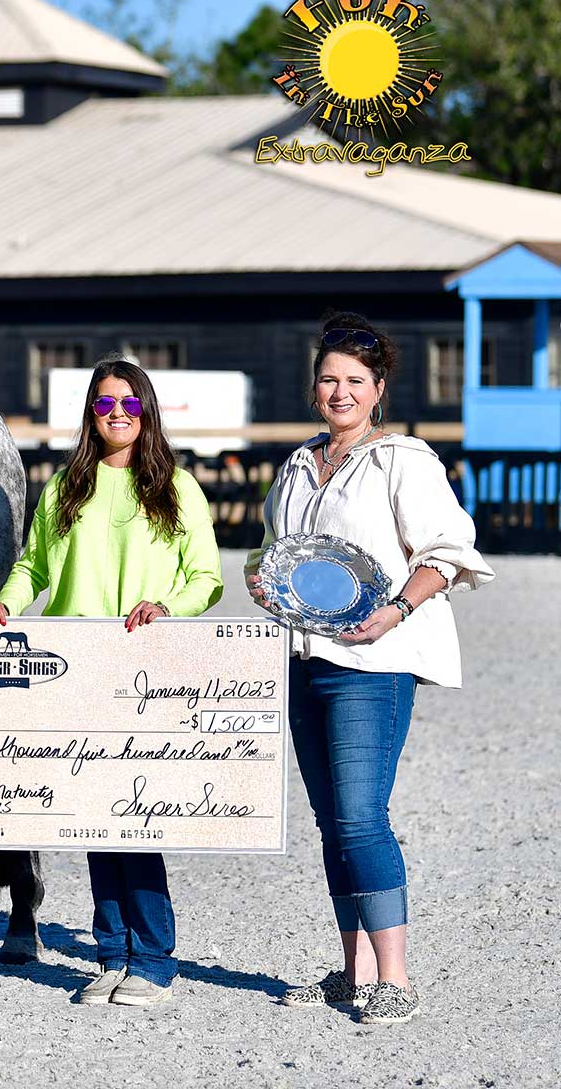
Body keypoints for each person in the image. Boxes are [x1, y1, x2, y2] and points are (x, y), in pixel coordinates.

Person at [246, 311, 493, 1025]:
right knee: (331, 824)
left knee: (360, 818)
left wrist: (397, 610)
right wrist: (265, 583)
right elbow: (274, 554)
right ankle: (352, 972)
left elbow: (446, 549)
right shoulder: (296, 465)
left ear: (378, 388)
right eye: (328, 379)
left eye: (355, 379)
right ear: (312, 386)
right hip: (304, 659)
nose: (340, 391)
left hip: (374, 663)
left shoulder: (403, 461)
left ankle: (396, 978)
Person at [0, 357, 222, 1007]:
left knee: (136, 820)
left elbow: (206, 578)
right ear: (91, 412)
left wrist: (168, 607)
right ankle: (111, 955)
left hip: (142, 671)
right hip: (74, 669)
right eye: (105, 403)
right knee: (93, 819)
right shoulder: (65, 488)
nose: (117, 413)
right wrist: (7, 604)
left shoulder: (178, 489)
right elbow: (33, 567)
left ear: (146, 412)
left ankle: (155, 961)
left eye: (129, 404)